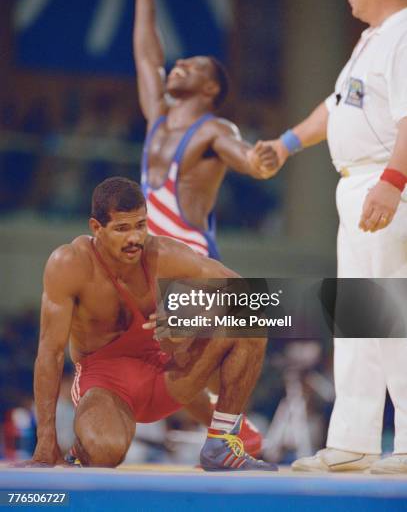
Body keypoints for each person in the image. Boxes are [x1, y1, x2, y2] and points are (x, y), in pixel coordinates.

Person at [265, 0, 407, 474]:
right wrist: (286, 144)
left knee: (392, 314)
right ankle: (354, 441)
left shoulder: (404, 35)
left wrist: (393, 181)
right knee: (357, 320)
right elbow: (336, 107)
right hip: (357, 185)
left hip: (386, 182)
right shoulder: (372, 39)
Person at [30, 176, 277, 471]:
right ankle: (80, 450)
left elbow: (249, 295)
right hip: (104, 382)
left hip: (164, 375)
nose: (135, 238)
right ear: (96, 228)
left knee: (248, 320)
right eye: (122, 228)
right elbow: (50, 353)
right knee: (104, 453)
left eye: (141, 225)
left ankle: (221, 443)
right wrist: (46, 442)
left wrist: (189, 313)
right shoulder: (70, 263)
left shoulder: (163, 254)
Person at [134, 0, 277, 259]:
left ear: (211, 88)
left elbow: (241, 153)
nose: (180, 62)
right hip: (147, 257)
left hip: (190, 256)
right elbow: (148, 59)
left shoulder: (213, 129)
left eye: (193, 65)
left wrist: (256, 161)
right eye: (181, 61)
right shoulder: (157, 115)